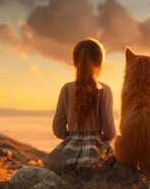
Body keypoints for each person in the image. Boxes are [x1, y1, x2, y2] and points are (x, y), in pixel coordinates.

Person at [49, 38, 116, 171]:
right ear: (100, 63)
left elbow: (58, 129)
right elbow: (110, 131)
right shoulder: (104, 90)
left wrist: (72, 137)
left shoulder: (66, 89)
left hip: (68, 149)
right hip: (96, 154)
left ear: (74, 62)